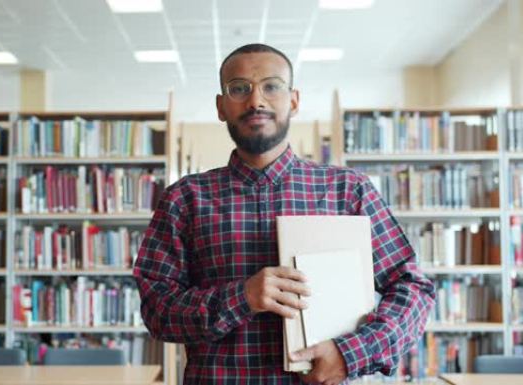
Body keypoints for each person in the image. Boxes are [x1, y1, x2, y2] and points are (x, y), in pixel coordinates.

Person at [133, 43, 435, 385]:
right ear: (221, 106)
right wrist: (242, 297)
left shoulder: (347, 190)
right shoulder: (184, 199)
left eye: (271, 86)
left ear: (294, 100)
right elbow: (157, 310)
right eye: (239, 89)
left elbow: (413, 288)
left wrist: (352, 353)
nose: (256, 101)